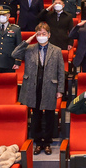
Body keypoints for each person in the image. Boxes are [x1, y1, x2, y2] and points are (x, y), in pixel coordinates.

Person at [11, 23, 65, 155]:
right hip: (33, 86)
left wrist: (60, 89)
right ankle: (38, 142)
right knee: (36, 115)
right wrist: (27, 41)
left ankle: (47, 142)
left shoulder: (56, 50)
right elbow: (14, 53)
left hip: (50, 86)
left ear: (49, 35)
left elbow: (61, 71)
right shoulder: (29, 48)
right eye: (39, 34)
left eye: (44, 34)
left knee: (50, 115)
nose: (42, 36)